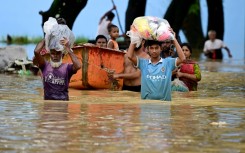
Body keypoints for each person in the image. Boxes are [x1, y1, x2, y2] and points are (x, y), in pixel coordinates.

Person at [127, 28, 186, 101]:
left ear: (161, 49)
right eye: (151, 48)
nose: (154, 51)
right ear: (148, 49)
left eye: (156, 48)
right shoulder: (143, 63)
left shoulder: (168, 62)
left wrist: (174, 39)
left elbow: (183, 58)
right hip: (147, 105)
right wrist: (134, 37)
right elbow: (129, 56)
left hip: (164, 105)